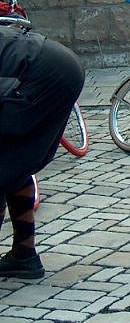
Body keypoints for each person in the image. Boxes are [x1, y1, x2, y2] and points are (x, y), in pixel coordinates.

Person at [0, 25, 84, 279]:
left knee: (5, 164)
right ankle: (24, 255)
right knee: (16, 161)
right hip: (62, 67)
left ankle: (24, 255)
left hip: (43, 74)